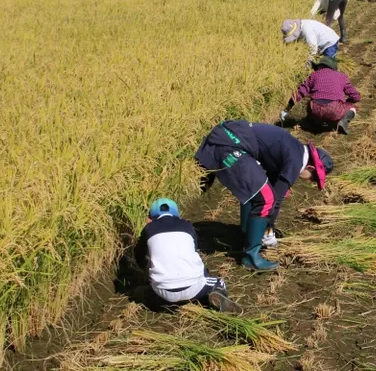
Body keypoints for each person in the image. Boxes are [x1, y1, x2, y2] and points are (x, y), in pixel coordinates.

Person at [195, 120, 334, 271]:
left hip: (225, 135)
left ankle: (246, 233)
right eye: (314, 178)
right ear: (311, 167)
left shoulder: (294, 149)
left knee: (259, 191)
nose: (311, 181)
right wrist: (268, 229)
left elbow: (271, 187)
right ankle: (251, 257)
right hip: (229, 144)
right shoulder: (296, 160)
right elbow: (276, 198)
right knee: (266, 198)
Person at [134, 198, 240, 312]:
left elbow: (139, 255)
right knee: (218, 282)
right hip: (193, 288)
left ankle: (157, 295)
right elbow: (194, 251)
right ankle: (215, 294)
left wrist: (145, 268)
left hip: (163, 291)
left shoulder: (148, 229)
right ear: (176, 213)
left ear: (151, 216)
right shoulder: (187, 226)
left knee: (155, 269)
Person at [281, 56, 361, 134]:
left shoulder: (314, 75)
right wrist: (346, 102)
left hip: (315, 109)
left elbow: (300, 92)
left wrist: (287, 108)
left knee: (311, 102)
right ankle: (342, 122)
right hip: (334, 110)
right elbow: (356, 97)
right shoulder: (342, 76)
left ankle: (314, 121)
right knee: (353, 108)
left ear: (321, 66)